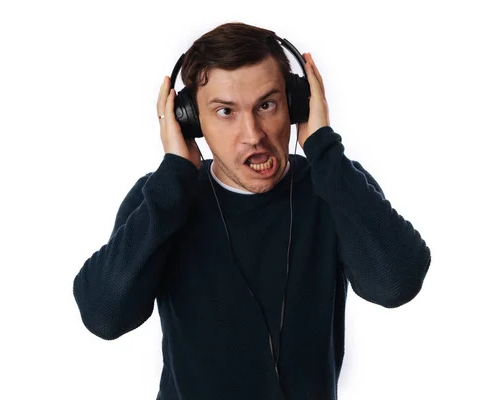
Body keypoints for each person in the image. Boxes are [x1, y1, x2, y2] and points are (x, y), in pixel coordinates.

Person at [72, 22, 431, 400]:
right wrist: (174, 176)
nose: (253, 134)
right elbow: (105, 316)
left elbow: (396, 284)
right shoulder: (162, 199)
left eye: (267, 105)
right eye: (225, 111)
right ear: (190, 121)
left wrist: (324, 149)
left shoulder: (333, 186)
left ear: (297, 104)